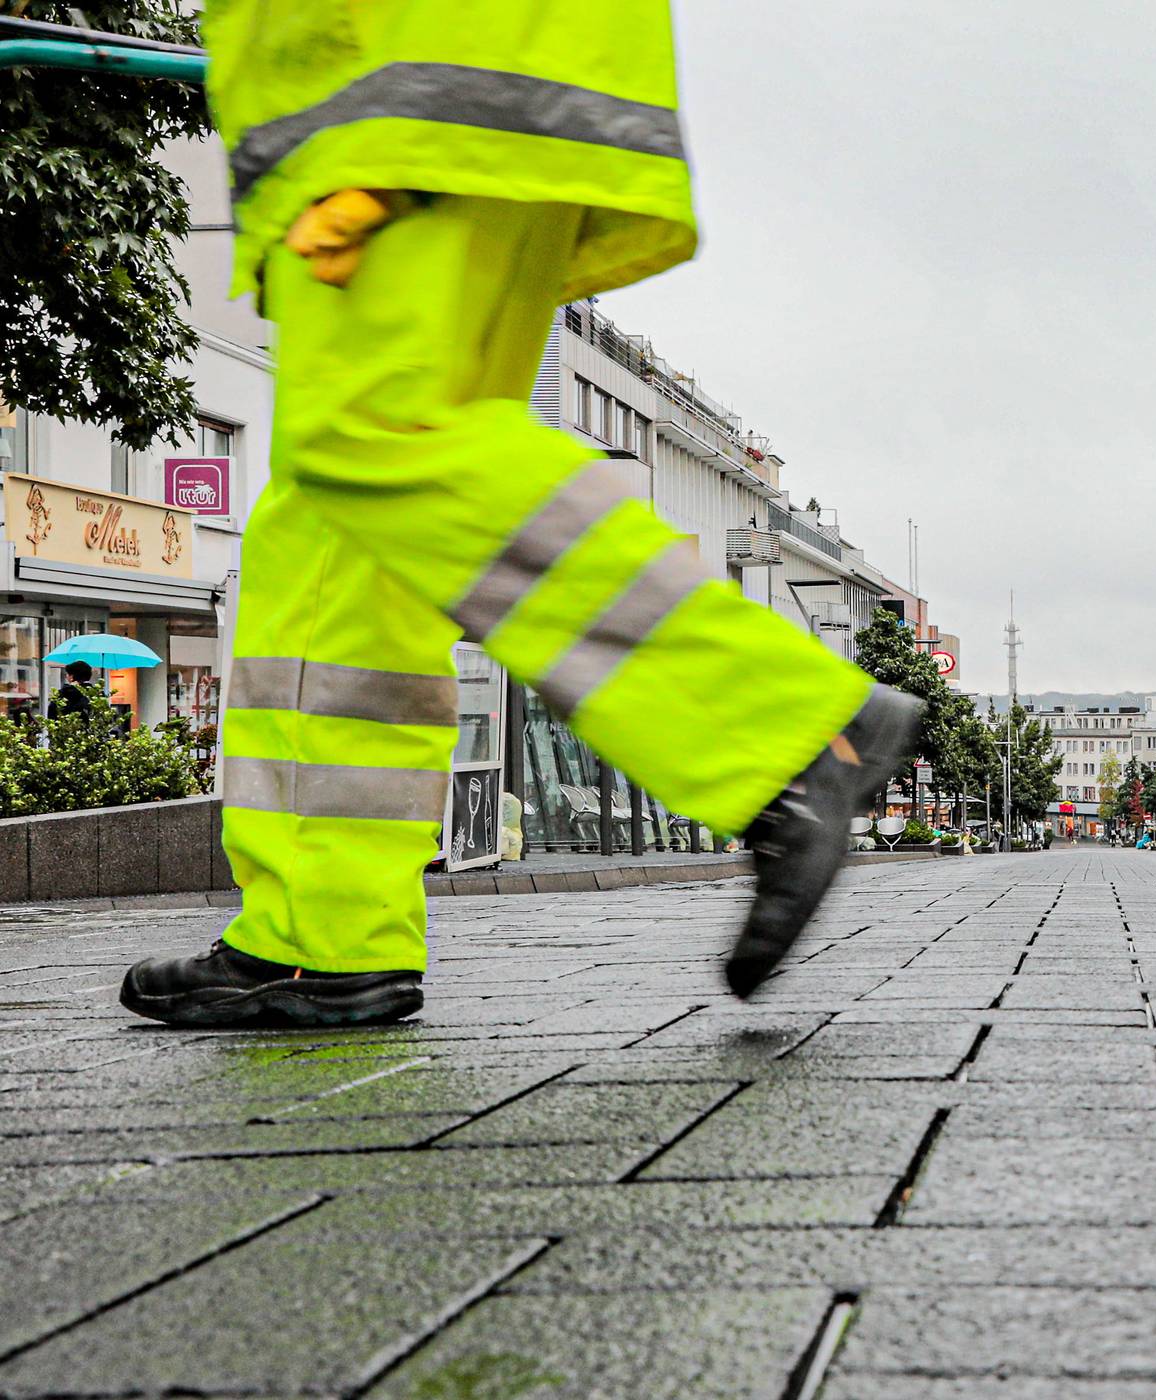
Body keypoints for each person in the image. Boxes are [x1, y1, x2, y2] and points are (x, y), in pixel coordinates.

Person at [117, 5, 924, 1029]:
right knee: (344, 513)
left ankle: (787, 731)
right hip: (470, 66)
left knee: (378, 433)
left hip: (400, 70)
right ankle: (323, 931)